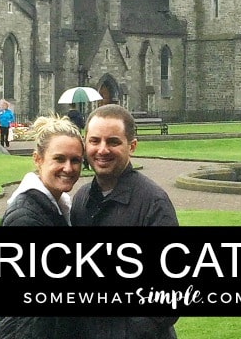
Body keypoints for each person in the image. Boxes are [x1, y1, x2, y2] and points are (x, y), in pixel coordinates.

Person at [71, 103, 179, 339]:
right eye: (95, 141)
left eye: (113, 142)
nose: (102, 150)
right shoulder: (81, 201)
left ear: (132, 146)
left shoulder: (153, 203)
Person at [0, 114, 85, 339]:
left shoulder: (56, 207)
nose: (68, 168)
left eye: (75, 160)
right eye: (59, 159)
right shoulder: (27, 217)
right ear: (38, 159)